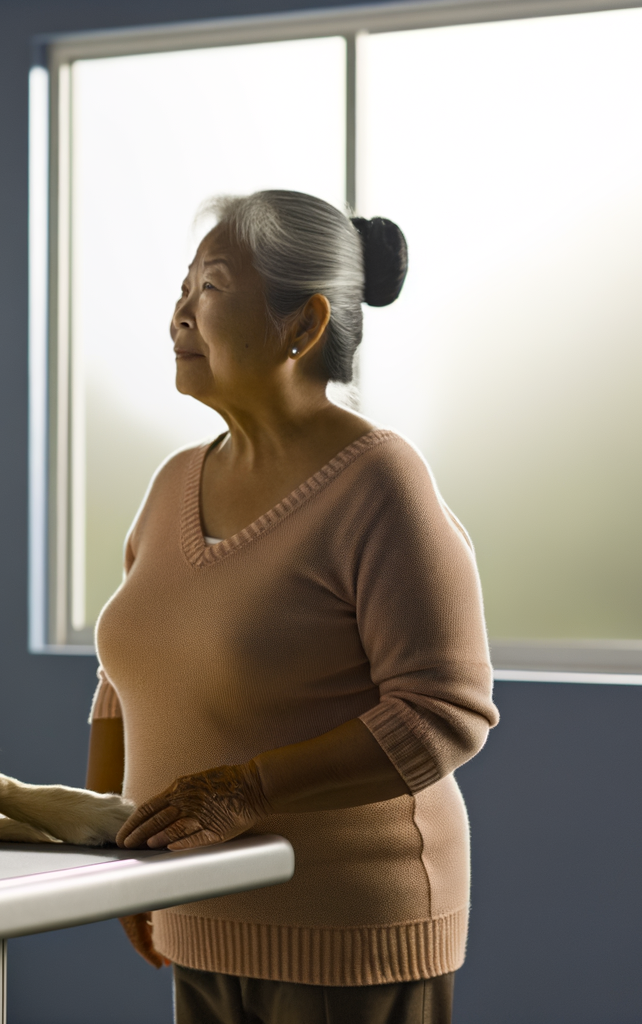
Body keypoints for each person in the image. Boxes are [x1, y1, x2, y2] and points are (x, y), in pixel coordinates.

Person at [86, 190, 498, 1024]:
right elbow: (122, 680)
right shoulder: (174, 484)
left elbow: (444, 713)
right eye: (181, 286)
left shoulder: (379, 483)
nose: (178, 312)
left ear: (301, 327)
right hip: (198, 908)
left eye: (209, 286)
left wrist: (251, 788)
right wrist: (111, 852)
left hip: (348, 929)